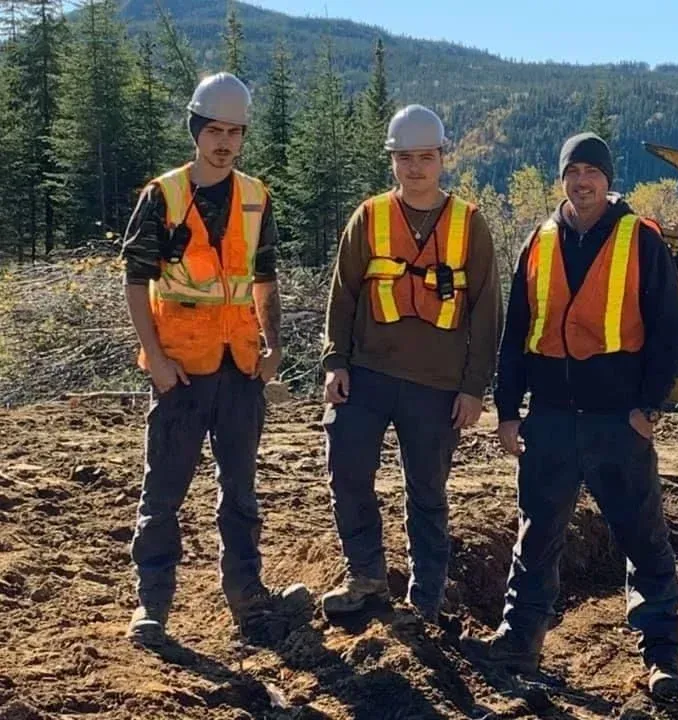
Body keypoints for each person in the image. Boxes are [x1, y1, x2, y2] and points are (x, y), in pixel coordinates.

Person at [460, 132, 678, 700]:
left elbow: (670, 332)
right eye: (573, 172)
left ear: (608, 181)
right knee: (535, 535)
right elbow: (515, 337)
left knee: (642, 536)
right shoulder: (538, 243)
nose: (582, 182)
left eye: (592, 171)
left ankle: (662, 655)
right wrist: (509, 411)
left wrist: (648, 406)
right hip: (551, 420)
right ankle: (519, 640)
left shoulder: (641, 240)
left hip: (618, 420)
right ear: (561, 179)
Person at [121, 72, 312, 647]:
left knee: (241, 490)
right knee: (164, 492)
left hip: (241, 366)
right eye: (216, 131)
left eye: (235, 131)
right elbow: (135, 279)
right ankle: (152, 605)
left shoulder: (256, 197)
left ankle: (247, 596)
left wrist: (273, 343)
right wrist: (153, 356)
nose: (225, 142)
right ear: (197, 131)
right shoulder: (164, 195)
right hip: (180, 367)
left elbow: (265, 277)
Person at [320, 104, 501, 624]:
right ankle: (367, 576)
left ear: (443, 158)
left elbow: (487, 310)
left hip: (437, 386)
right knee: (348, 472)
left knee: (427, 493)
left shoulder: (470, 224)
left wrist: (474, 388)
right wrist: (336, 362)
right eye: (405, 158)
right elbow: (344, 296)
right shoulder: (370, 217)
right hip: (369, 376)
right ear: (392, 161)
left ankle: (426, 597)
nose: (415, 168)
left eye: (425, 157)